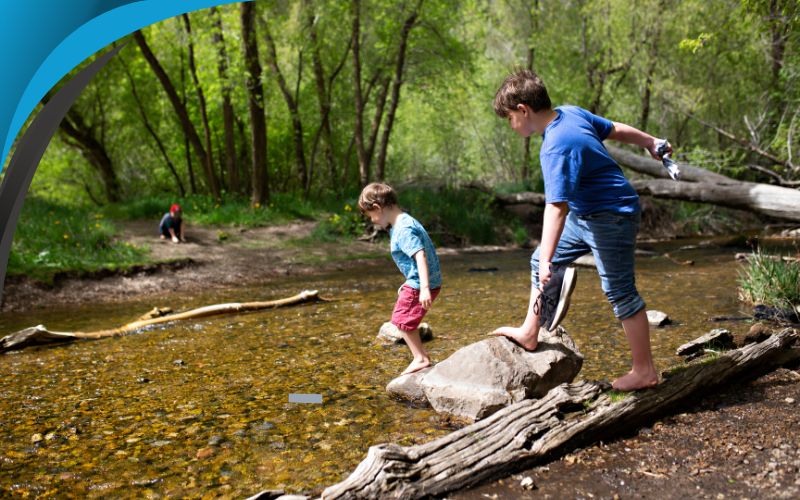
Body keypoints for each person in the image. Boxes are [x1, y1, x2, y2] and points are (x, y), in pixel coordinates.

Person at [489, 69, 672, 391]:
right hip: (588, 213)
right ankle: (530, 333)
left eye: (509, 118)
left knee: (620, 292)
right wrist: (649, 141)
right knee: (537, 261)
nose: (510, 125)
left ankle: (645, 371)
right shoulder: (570, 113)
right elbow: (613, 128)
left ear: (523, 110)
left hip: (612, 214)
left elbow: (556, 207)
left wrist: (549, 259)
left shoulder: (556, 146)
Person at [358, 182, 443, 376]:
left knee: (401, 319)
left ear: (378, 208)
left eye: (371, 216)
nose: (373, 221)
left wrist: (424, 288)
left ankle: (420, 358)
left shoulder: (403, 229)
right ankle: (421, 356)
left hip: (420, 283)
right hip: (417, 281)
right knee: (404, 319)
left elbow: (420, 255)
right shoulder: (405, 221)